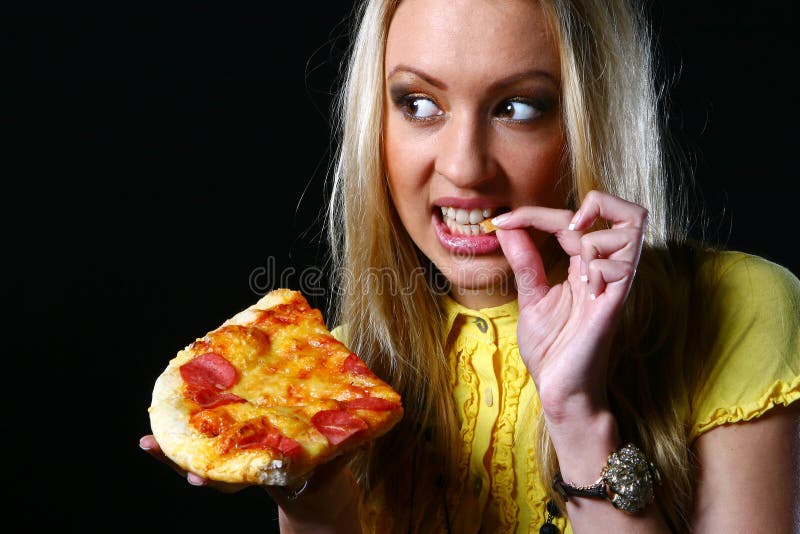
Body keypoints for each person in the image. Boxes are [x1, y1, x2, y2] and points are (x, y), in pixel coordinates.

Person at [140, 0, 800, 531]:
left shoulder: (735, 306)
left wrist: (575, 412)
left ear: (588, 119)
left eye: (518, 107)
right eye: (419, 105)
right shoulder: (337, 389)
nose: (463, 167)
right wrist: (309, 493)